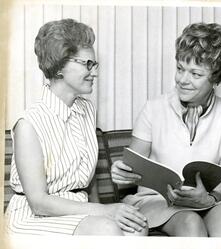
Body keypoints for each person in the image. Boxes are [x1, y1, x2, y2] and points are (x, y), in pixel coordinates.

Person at [5, 19, 148, 236]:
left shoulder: (87, 110)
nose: (95, 73)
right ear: (60, 66)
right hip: (33, 217)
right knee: (107, 229)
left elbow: (88, 183)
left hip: (79, 211)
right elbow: (39, 203)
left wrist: (103, 212)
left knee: (137, 227)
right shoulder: (28, 123)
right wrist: (105, 212)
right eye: (87, 64)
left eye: (95, 64)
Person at [111, 22, 221, 237]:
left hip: (208, 201)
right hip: (157, 202)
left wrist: (211, 198)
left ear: (216, 78)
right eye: (180, 69)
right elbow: (133, 166)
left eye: (196, 74)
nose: (183, 80)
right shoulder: (153, 109)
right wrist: (122, 171)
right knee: (190, 221)